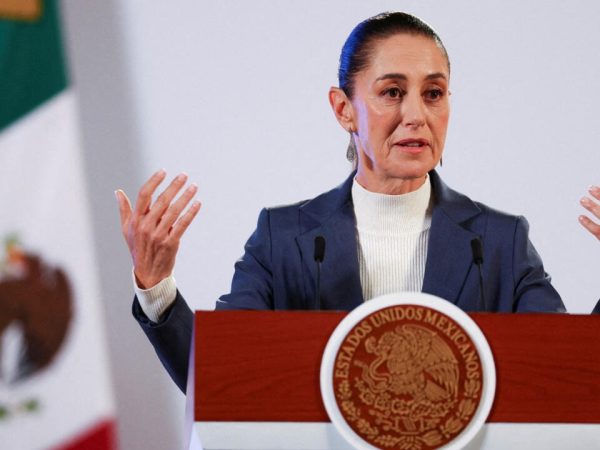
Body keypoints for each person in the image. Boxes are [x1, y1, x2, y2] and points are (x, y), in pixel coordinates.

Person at [115, 12, 600, 393]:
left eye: (433, 93)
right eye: (392, 92)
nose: (416, 115)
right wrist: (156, 287)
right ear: (343, 108)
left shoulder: (498, 243)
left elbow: (567, 375)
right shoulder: (284, 240)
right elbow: (221, 379)